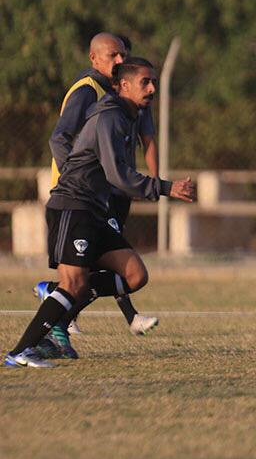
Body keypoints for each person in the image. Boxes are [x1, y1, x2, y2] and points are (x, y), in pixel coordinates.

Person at [5, 61, 195, 368]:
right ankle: (20, 351)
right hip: (73, 206)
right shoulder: (109, 117)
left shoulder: (129, 116)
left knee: (134, 275)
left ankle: (53, 295)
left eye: (155, 83)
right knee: (74, 284)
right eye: (145, 82)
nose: (152, 89)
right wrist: (165, 187)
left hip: (94, 209)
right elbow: (118, 175)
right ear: (124, 86)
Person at [37, 34, 159, 358]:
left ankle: (58, 310)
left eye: (123, 56)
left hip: (107, 191)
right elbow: (59, 138)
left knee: (111, 267)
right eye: (112, 56)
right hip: (81, 196)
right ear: (94, 59)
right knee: (108, 267)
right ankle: (53, 322)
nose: (119, 62)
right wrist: (77, 180)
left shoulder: (120, 94)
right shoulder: (87, 90)